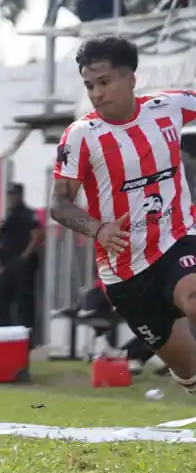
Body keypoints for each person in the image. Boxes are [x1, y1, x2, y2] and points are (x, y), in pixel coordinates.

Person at [51, 35, 196, 395]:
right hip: (124, 270)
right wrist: (97, 229)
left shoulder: (169, 107)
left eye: (104, 82)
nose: (96, 93)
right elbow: (59, 204)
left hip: (176, 237)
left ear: (131, 78)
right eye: (89, 85)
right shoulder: (80, 136)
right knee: (188, 368)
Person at [0, 183, 43, 339]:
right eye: (10, 194)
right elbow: (1, 245)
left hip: (22, 265)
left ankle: (25, 339)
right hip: (6, 264)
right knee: (0, 302)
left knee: (23, 304)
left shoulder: (27, 214)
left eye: (14, 194)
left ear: (20, 195)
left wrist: (23, 258)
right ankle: (4, 336)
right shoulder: (7, 217)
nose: (12, 197)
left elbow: (37, 235)